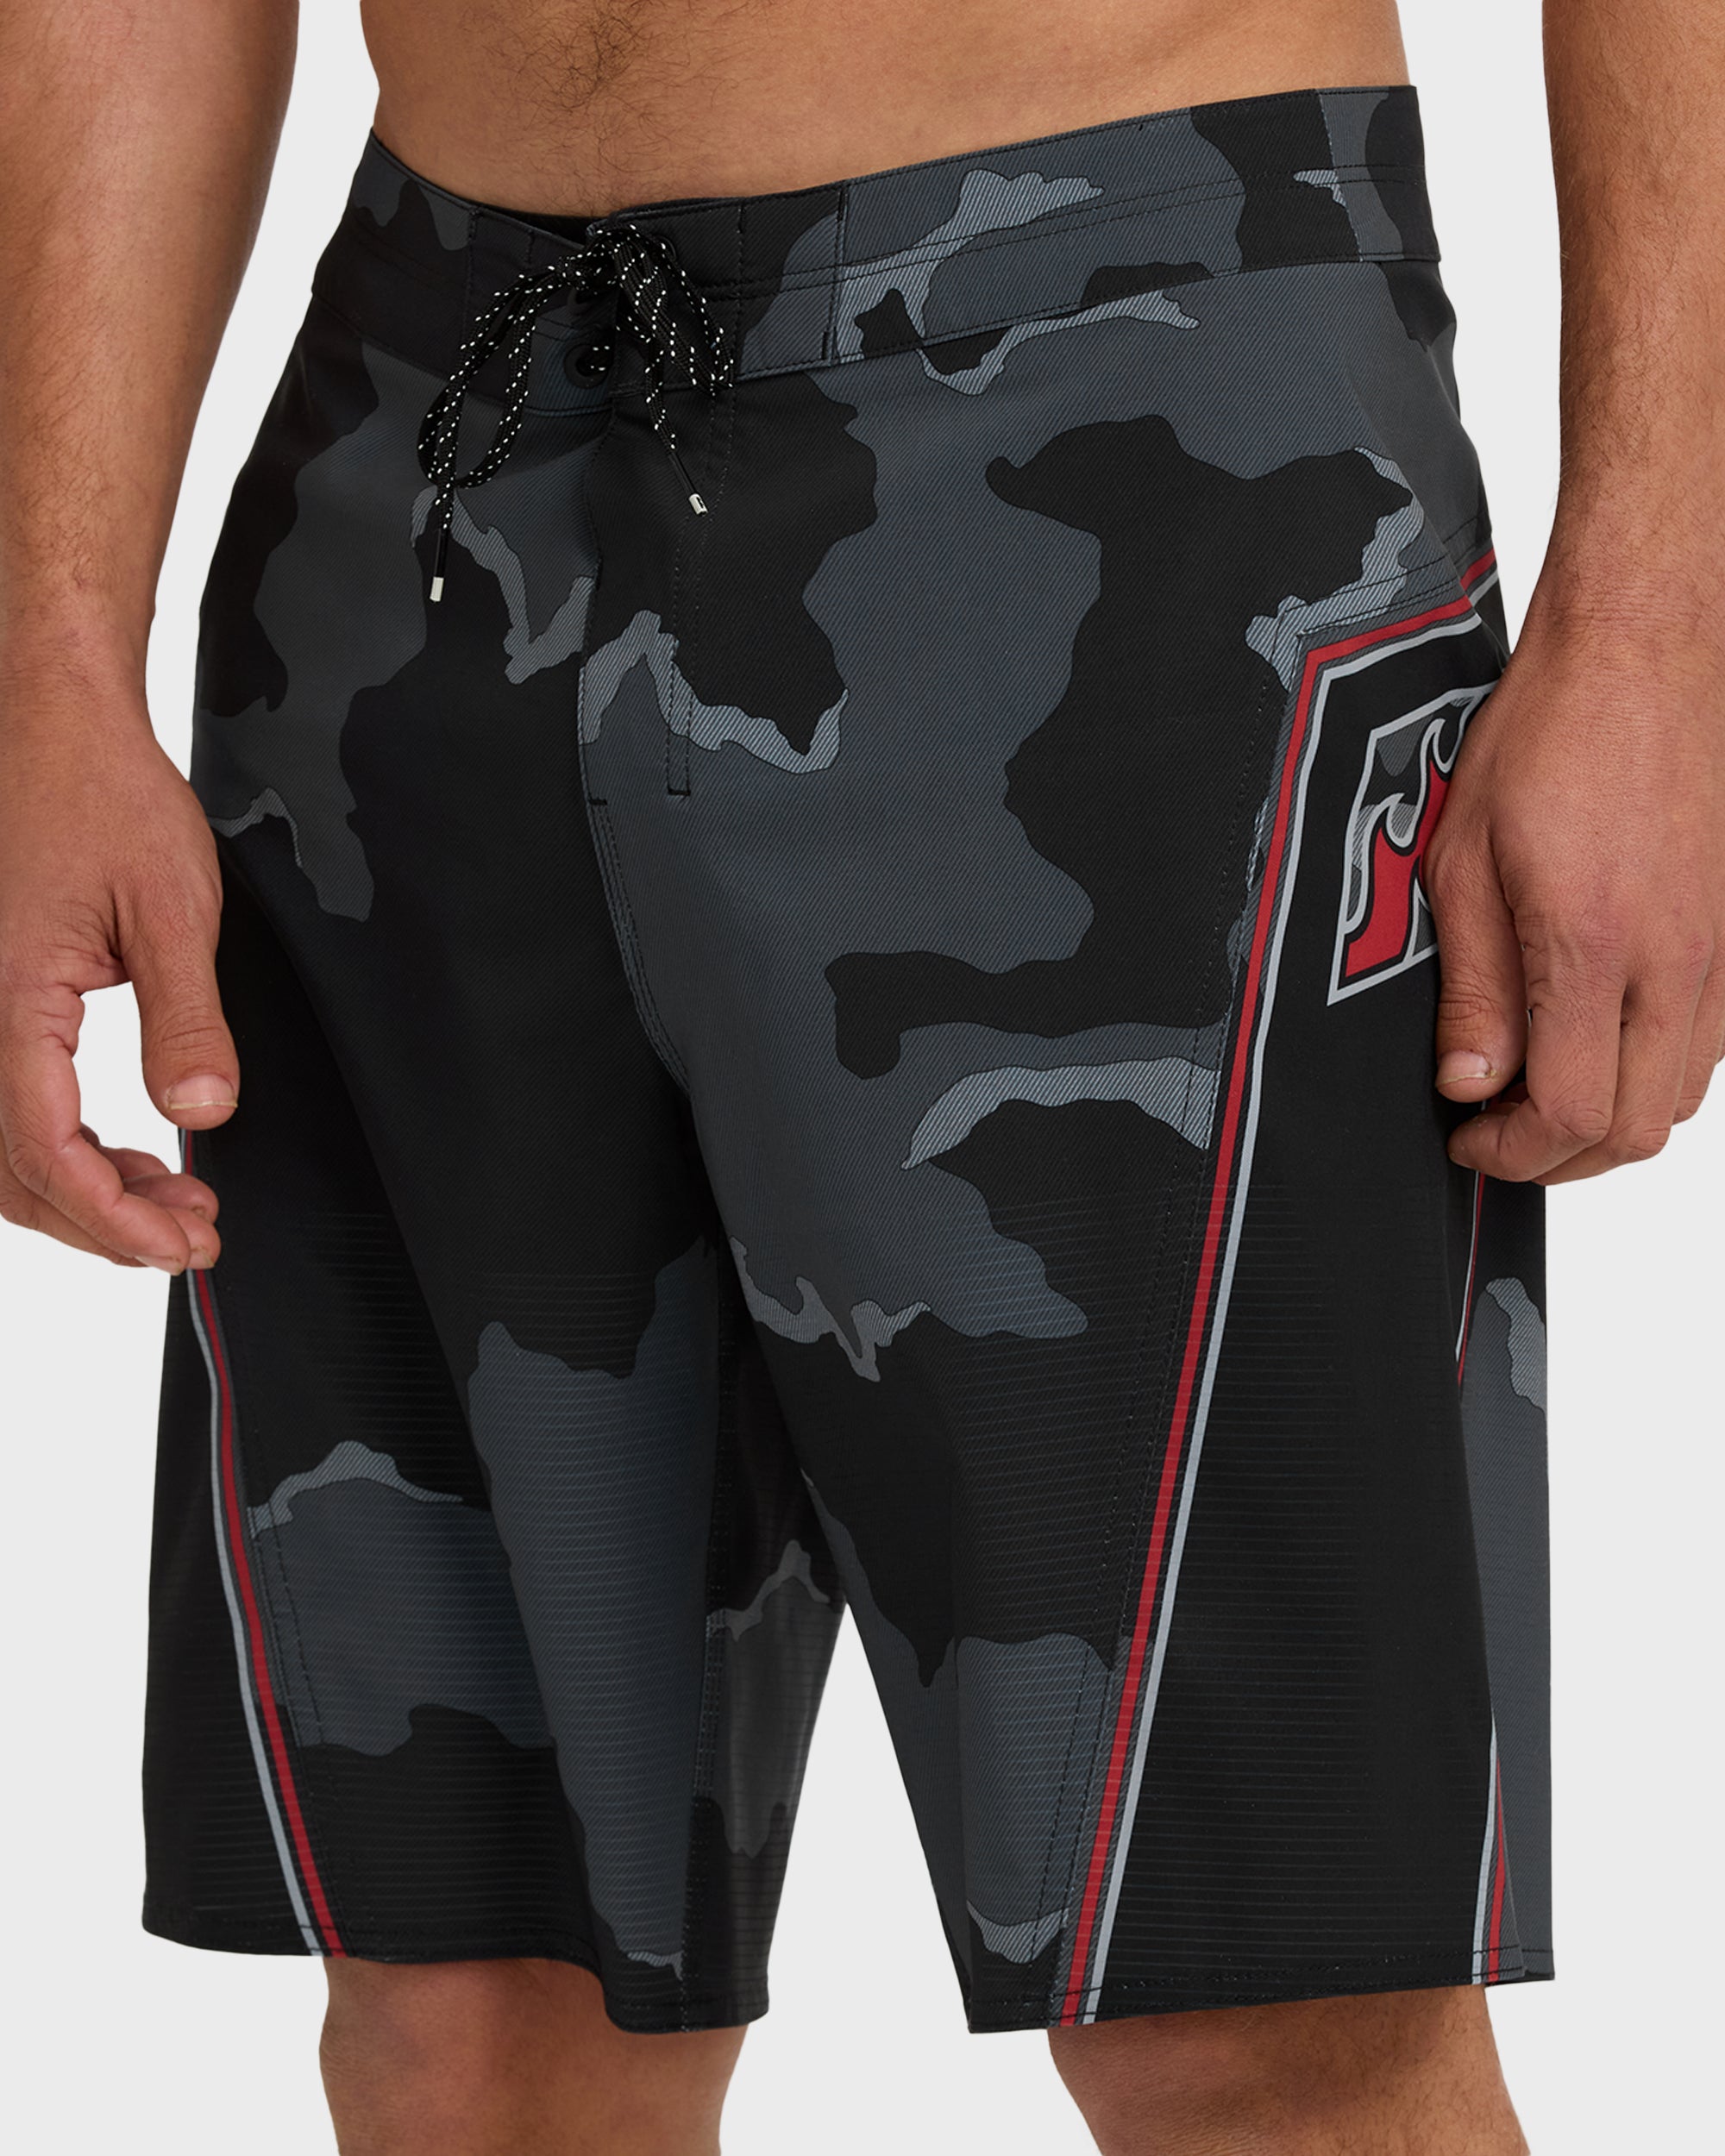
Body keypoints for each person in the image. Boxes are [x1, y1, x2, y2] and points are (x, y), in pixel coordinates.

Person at [1, 0, 1720, 2148]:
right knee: (471, 2015)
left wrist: (1656, 631)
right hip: (429, 453)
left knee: (1256, 2006)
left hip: (1142, 409)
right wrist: (45, 648)